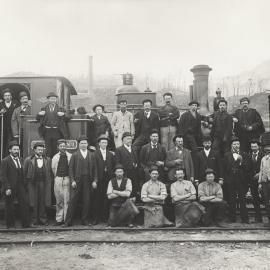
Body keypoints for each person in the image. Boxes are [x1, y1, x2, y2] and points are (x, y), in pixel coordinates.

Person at [64, 136, 97, 226]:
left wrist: (95, 180)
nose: (83, 145)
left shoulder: (91, 155)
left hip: (88, 180)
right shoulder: (74, 155)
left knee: (87, 200)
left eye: (85, 143)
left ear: (87, 144)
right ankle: (68, 221)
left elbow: (95, 169)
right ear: (79, 144)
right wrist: (72, 181)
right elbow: (70, 169)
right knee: (73, 200)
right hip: (77, 180)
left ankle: (85, 220)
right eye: (82, 143)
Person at [0, 141, 31, 228]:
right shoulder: (5, 161)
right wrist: (7, 188)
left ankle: (26, 224)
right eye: (14, 149)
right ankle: (10, 225)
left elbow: (22, 173)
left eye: (17, 149)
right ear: (10, 150)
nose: (16, 151)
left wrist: (25, 185)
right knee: (9, 206)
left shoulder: (20, 159)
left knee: (24, 204)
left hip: (20, 186)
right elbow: (3, 176)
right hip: (10, 187)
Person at [24, 142, 52, 226]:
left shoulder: (47, 159)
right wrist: (26, 184)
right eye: (38, 149)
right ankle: (34, 220)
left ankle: (43, 219)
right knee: (33, 202)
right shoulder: (28, 160)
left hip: (43, 183)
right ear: (34, 150)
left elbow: (50, 172)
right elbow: (24, 172)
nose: (40, 151)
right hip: (32, 184)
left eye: (42, 149)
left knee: (43, 201)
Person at [223, 137, 250, 223]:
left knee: (242, 199)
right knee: (231, 199)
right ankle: (232, 218)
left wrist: (241, 161)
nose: (236, 145)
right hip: (230, 179)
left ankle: (245, 219)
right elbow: (224, 169)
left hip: (241, 179)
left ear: (240, 145)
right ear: (231, 145)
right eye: (234, 144)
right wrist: (227, 179)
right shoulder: (226, 154)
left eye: (237, 144)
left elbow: (247, 168)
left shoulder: (244, 154)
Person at [36, 92, 70, 158]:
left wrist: (63, 114)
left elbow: (69, 117)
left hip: (57, 131)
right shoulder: (44, 109)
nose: (53, 100)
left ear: (56, 99)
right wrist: (39, 114)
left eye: (54, 99)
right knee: (48, 150)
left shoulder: (61, 109)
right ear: (48, 100)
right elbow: (37, 118)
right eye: (51, 99)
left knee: (56, 149)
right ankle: (48, 165)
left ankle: (55, 164)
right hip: (47, 131)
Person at [92, 135, 115, 225]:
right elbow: (94, 168)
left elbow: (113, 166)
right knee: (97, 198)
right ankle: (95, 218)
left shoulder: (110, 154)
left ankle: (104, 217)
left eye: (105, 142)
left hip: (108, 178)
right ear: (99, 144)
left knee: (106, 198)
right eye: (102, 142)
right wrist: (95, 180)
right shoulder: (95, 154)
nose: (104, 144)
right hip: (99, 178)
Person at [51, 139, 72, 225]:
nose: (63, 147)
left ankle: (66, 219)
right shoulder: (55, 157)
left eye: (64, 146)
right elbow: (53, 168)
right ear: (58, 147)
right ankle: (59, 219)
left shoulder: (70, 156)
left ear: (66, 146)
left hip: (67, 179)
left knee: (67, 200)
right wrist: (57, 177)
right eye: (61, 146)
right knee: (59, 200)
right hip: (58, 179)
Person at [0, 88, 19, 157]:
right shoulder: (1, 104)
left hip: (13, 127)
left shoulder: (16, 103)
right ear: (3, 97)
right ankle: (4, 157)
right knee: (3, 142)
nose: (7, 97)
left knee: (12, 142)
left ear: (11, 96)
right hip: (3, 127)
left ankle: (12, 157)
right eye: (6, 95)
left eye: (9, 95)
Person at [248, 139, 263, 223]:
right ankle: (258, 217)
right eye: (252, 146)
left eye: (255, 146)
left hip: (262, 180)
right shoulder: (249, 155)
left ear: (258, 147)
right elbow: (248, 168)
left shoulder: (263, 155)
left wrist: (259, 174)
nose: (253, 148)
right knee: (255, 199)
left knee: (265, 198)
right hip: (253, 180)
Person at [259, 143, 270, 227]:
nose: (267, 149)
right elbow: (261, 171)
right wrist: (260, 183)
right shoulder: (263, 158)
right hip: (265, 182)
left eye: (268, 148)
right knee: (266, 201)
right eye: (266, 148)